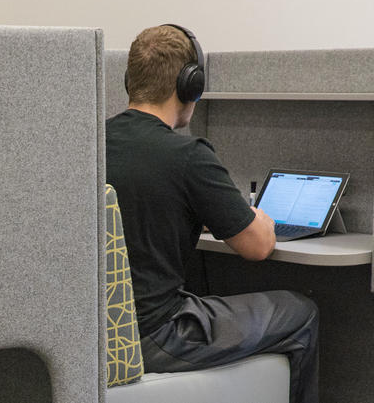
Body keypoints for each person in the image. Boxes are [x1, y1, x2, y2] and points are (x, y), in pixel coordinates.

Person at [106, 24, 320, 403]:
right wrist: (262, 220)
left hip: (106, 331)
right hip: (160, 334)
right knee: (301, 311)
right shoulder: (188, 156)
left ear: (130, 80)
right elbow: (257, 246)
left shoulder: (93, 143)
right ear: (191, 85)